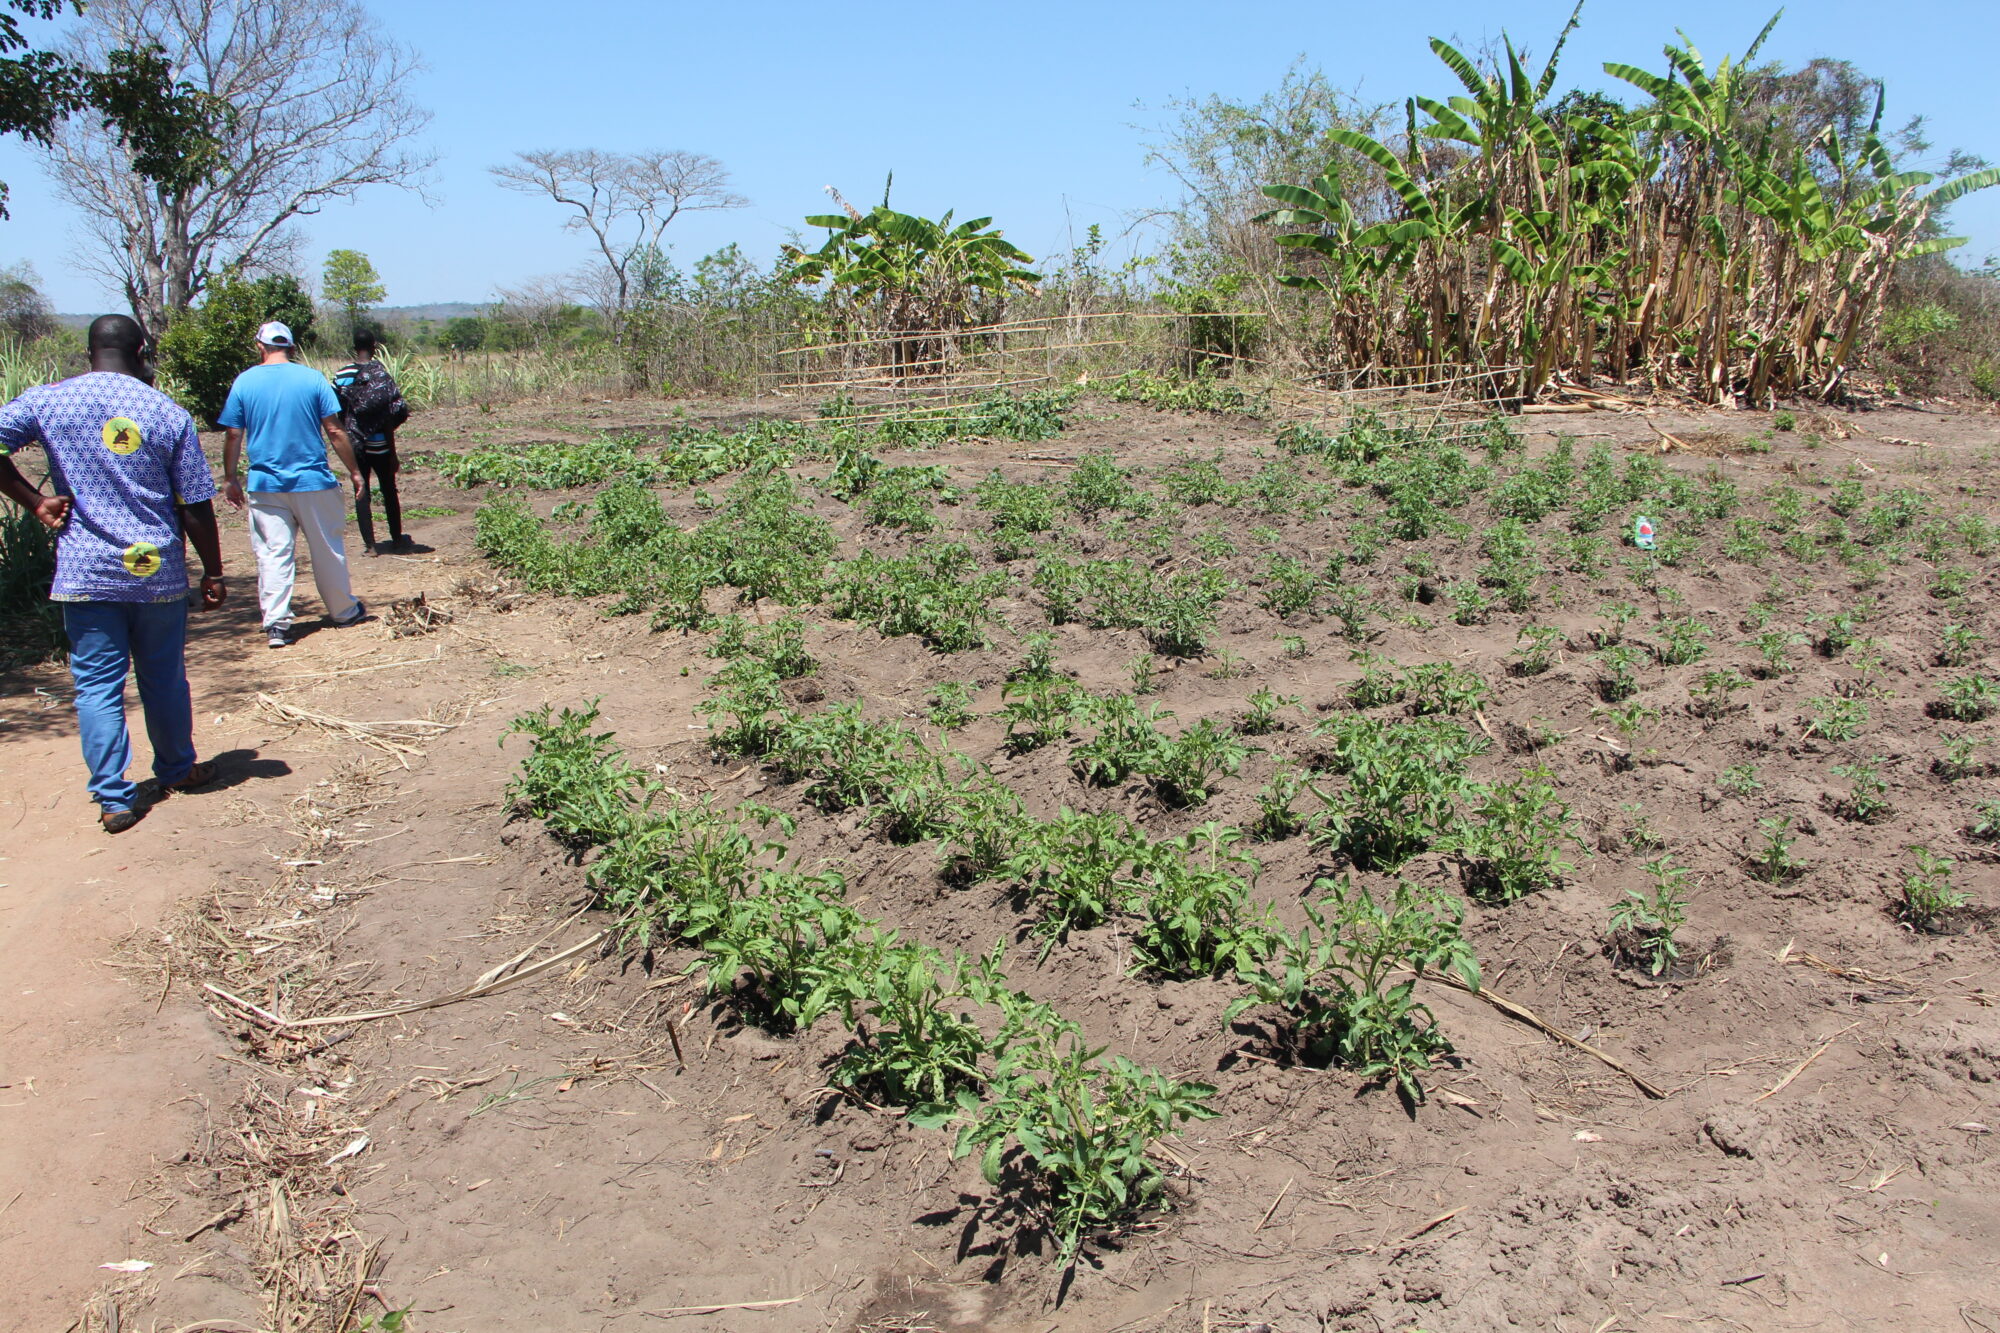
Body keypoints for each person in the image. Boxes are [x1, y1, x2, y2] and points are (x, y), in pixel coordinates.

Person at [0, 314, 228, 833]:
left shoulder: (49, 401)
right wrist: (213, 572)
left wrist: (34, 501)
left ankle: (114, 798)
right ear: (141, 351)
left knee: (98, 687)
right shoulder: (166, 412)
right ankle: (178, 767)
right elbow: (194, 504)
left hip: (86, 571)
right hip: (156, 574)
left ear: (88, 352)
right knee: (163, 677)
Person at [218, 321, 367, 648]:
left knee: (274, 553)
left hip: (266, 485)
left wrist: (230, 478)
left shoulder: (244, 382)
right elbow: (335, 430)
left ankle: (277, 624)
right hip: (313, 481)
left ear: (260, 346)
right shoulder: (312, 378)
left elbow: (233, 433)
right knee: (327, 548)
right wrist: (355, 471)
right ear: (291, 347)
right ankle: (344, 611)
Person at [331, 329, 411, 554]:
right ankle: (397, 540)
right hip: (381, 443)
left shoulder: (341, 374)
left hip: (355, 442)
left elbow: (338, 412)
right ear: (374, 346)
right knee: (389, 489)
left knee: (361, 488)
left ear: (354, 347)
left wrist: (350, 434)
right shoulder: (382, 373)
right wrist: (392, 451)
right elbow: (393, 413)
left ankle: (370, 545)